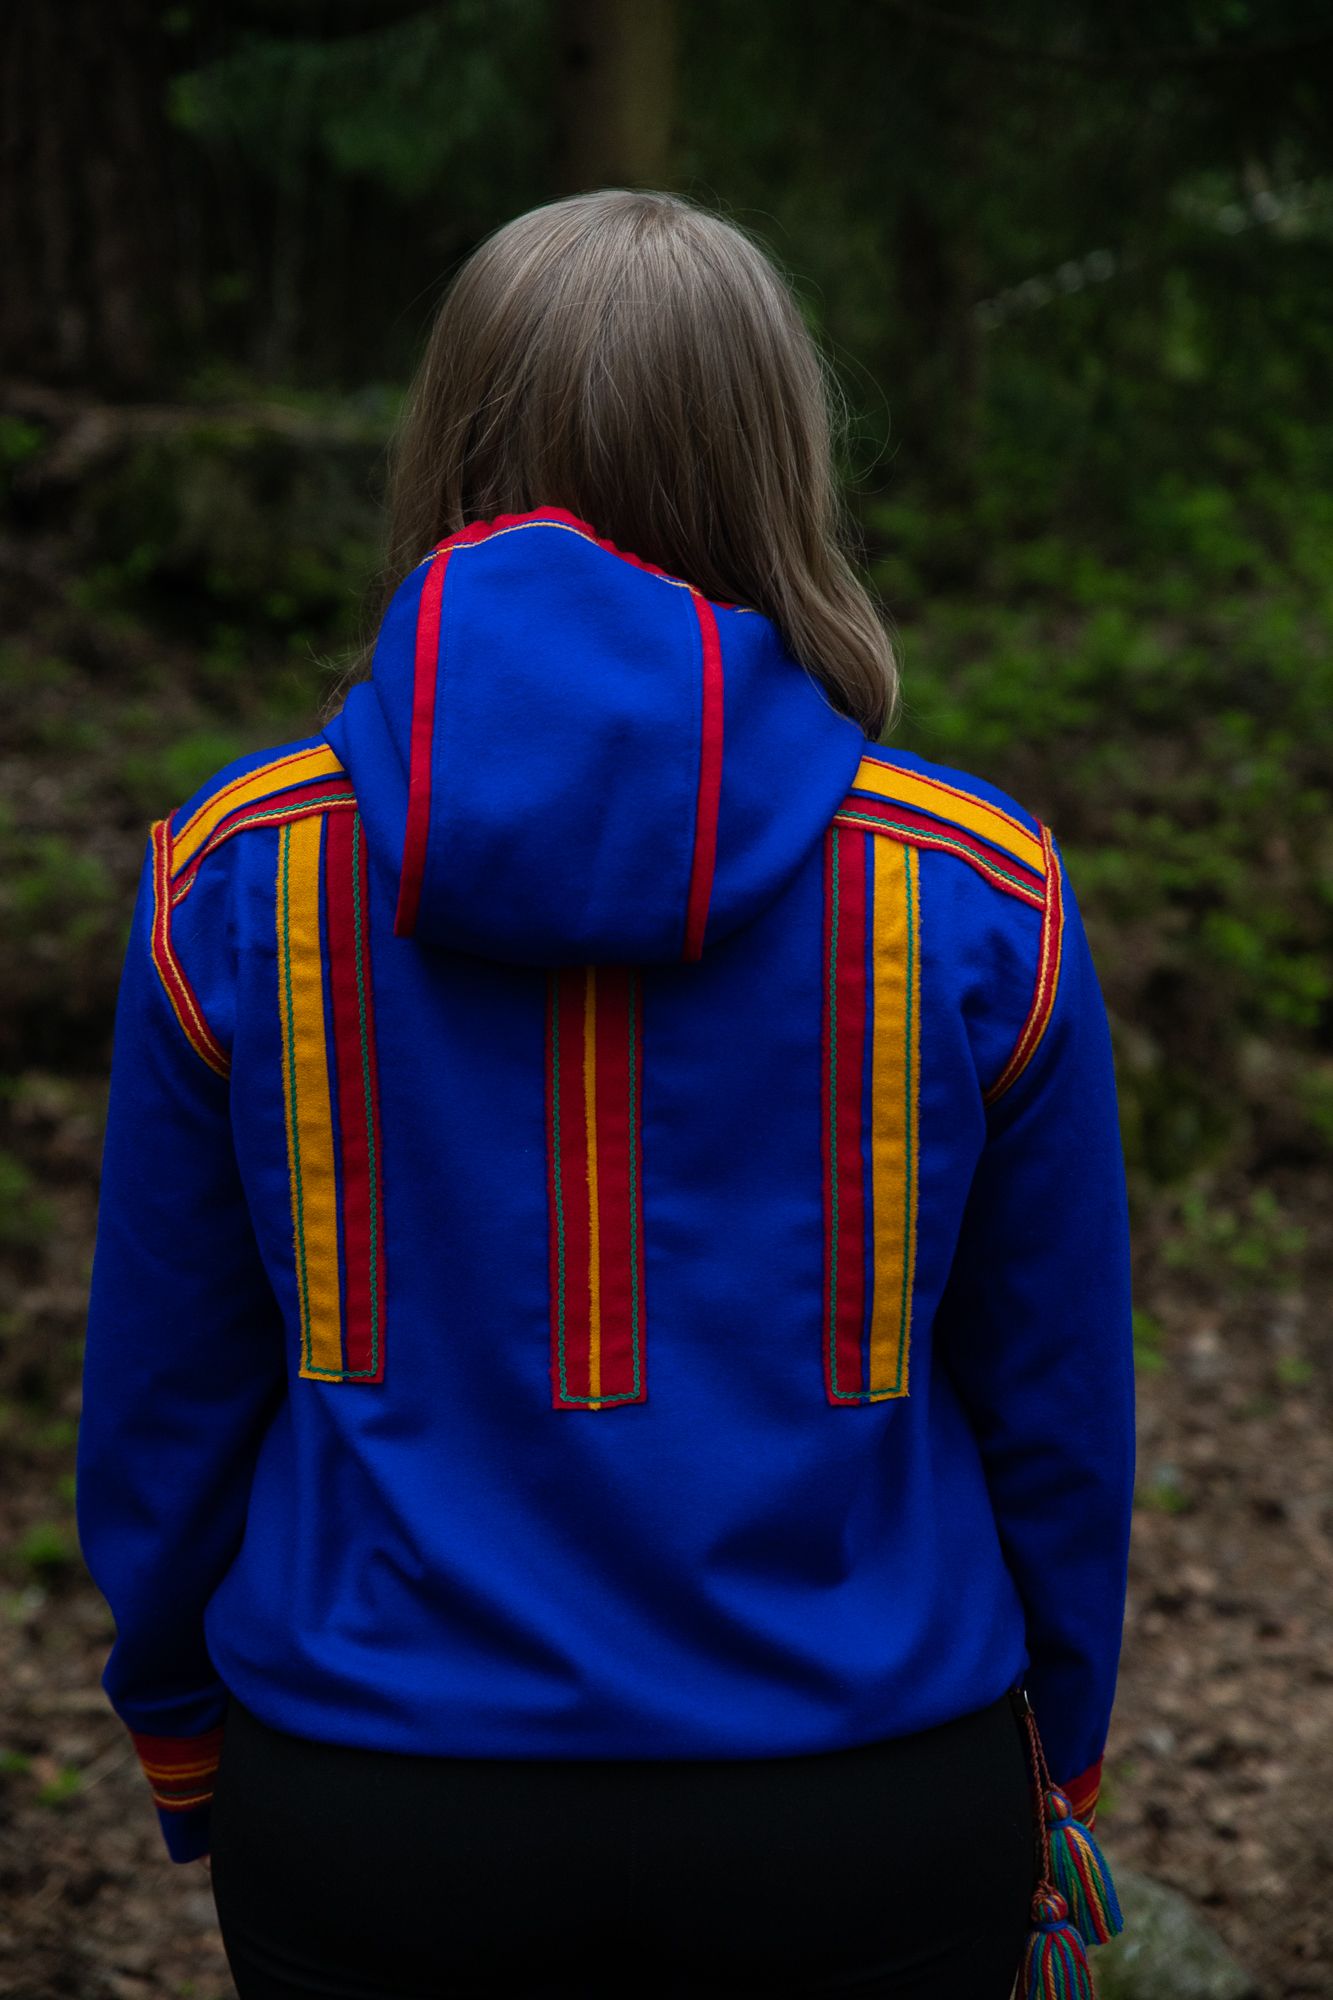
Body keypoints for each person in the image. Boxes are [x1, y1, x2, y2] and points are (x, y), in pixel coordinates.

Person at [75, 189, 1136, 2000]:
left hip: (373, 1801)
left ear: (451, 442)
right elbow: (1055, 1417)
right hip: (864, 1804)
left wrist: (184, 1736)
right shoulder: (969, 888)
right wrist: (1062, 1756)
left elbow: (168, 1398)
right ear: (772, 458)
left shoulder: (237, 881)